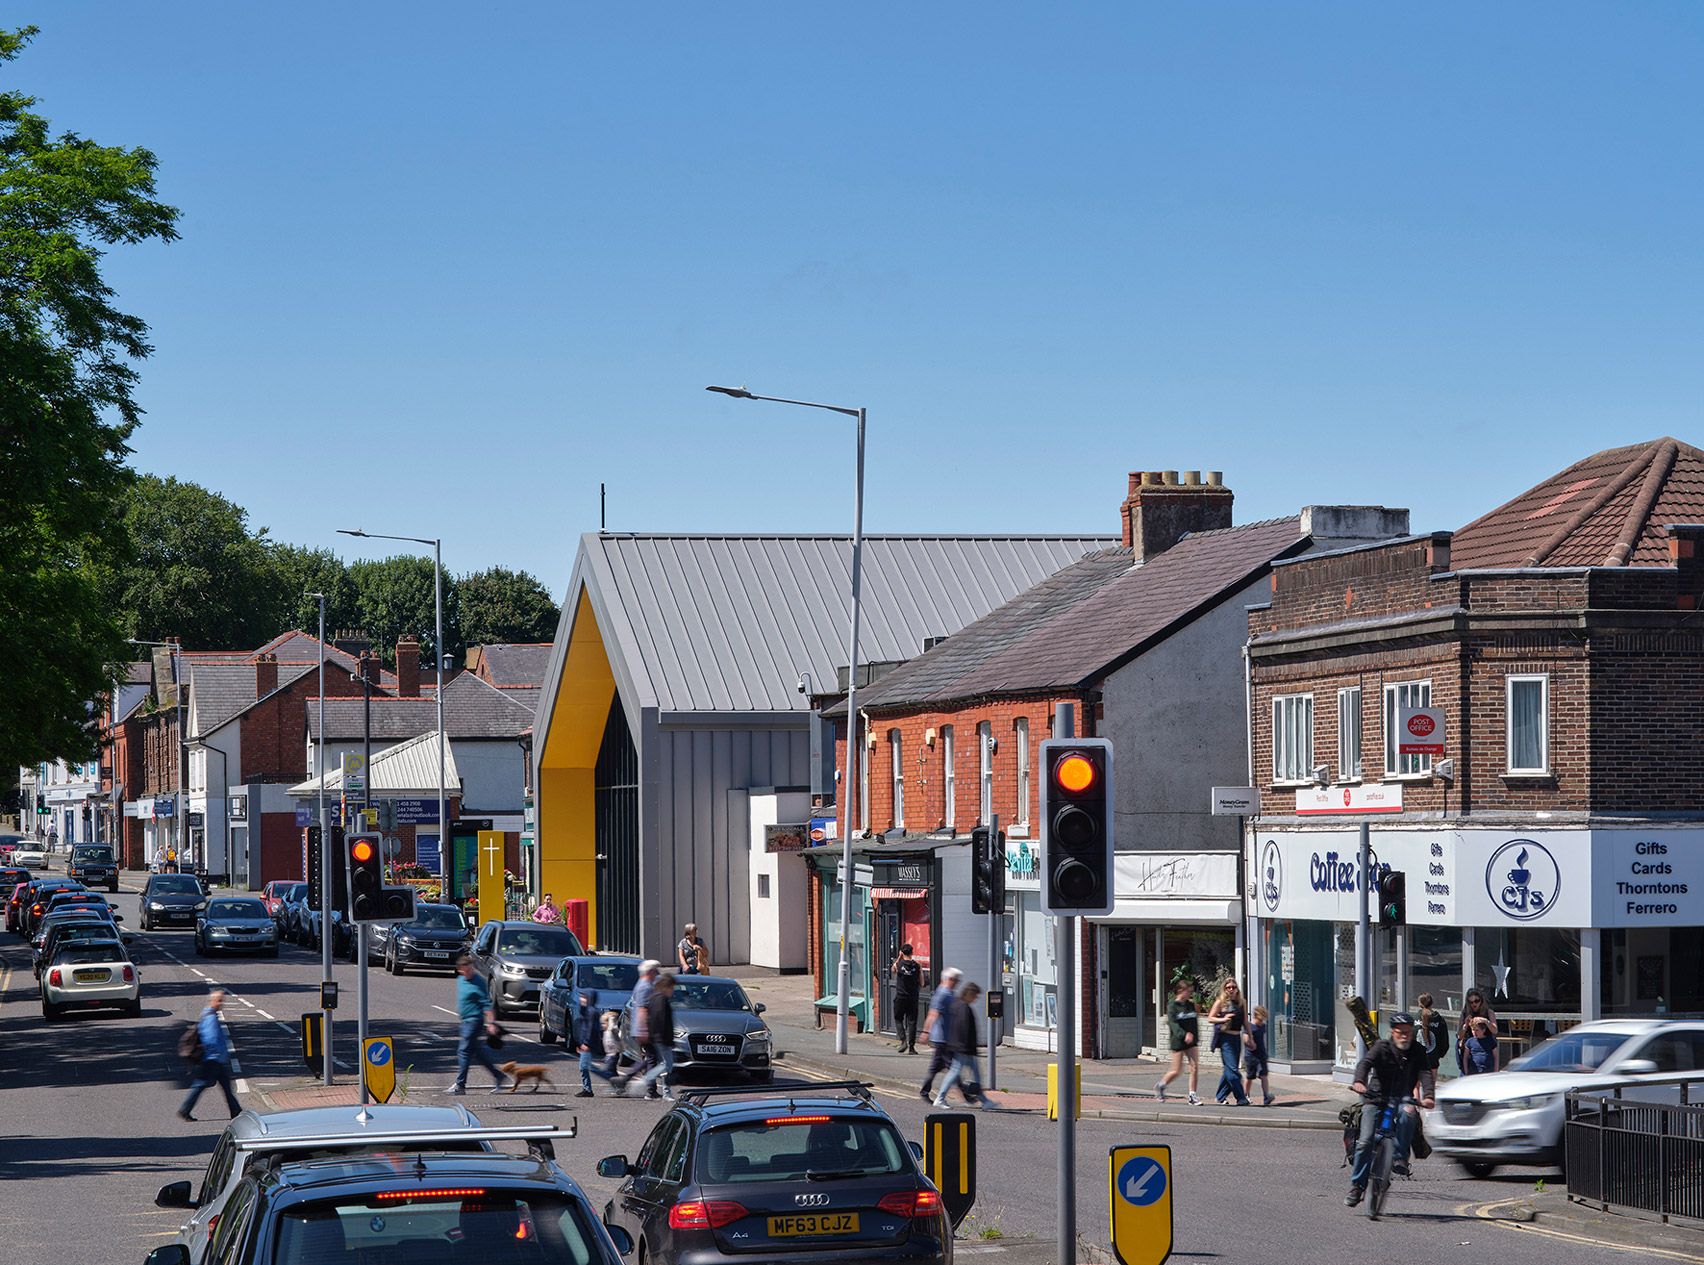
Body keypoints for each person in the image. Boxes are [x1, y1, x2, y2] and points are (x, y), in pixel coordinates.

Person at [1345, 1011, 1436, 1206]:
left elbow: (1425, 1073)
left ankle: (1399, 1158)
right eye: (1400, 1032)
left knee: (1409, 1112)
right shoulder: (1381, 1047)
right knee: (1365, 1141)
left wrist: (1428, 1096)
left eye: (1408, 1032)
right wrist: (1359, 1082)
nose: (1404, 1036)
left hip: (1402, 1097)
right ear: (1393, 1032)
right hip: (1376, 1097)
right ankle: (1357, 1187)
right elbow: (1365, 1063)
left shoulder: (1417, 1051)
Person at [445, 954, 509, 1095]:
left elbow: (486, 1004)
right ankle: (499, 1076)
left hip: (474, 1021)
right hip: (465, 1021)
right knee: (477, 1053)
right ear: (460, 970)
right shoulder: (461, 979)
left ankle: (460, 1085)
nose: (469, 972)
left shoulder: (478, 982)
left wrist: (492, 1023)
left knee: (463, 1051)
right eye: (466, 970)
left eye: (471, 969)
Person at [178, 989, 242, 1121]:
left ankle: (236, 1111)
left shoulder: (209, 1014)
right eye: (219, 1000)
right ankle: (185, 1109)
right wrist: (219, 1055)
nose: (221, 1003)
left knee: (223, 1086)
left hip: (213, 1059)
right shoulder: (210, 1018)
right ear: (212, 1001)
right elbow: (211, 1039)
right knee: (201, 1085)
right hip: (212, 1060)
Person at [936, 982, 997, 1111]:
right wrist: (967, 1048)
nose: (976, 999)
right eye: (975, 996)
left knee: (976, 1074)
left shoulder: (957, 1005)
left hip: (961, 1047)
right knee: (954, 1072)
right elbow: (964, 1029)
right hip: (964, 1048)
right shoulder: (964, 1008)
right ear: (970, 995)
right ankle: (940, 1098)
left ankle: (984, 1100)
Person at [613, 960, 661, 1095]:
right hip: (645, 1028)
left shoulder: (644, 985)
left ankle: (625, 1079)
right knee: (652, 1059)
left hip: (644, 1028)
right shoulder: (645, 987)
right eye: (655, 971)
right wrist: (644, 1029)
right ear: (649, 972)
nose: (657, 974)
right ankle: (650, 1090)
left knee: (650, 1058)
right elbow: (642, 1009)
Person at [918, 966, 964, 1102]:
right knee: (954, 1067)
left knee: (937, 1066)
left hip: (947, 1037)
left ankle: (924, 1092)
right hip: (943, 1038)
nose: (958, 983)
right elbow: (933, 1013)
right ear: (949, 979)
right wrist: (926, 1032)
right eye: (956, 980)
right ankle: (966, 1095)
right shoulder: (943, 994)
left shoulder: (948, 993)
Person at [1155, 979, 1204, 1106]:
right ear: (1180, 991)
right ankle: (1161, 1085)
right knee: (1177, 1070)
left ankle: (1193, 1095)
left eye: (1191, 992)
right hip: (1178, 1041)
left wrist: (1195, 1038)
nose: (1190, 994)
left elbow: (1194, 1023)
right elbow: (1173, 1025)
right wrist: (1184, 1034)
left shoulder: (1190, 1005)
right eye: (1188, 992)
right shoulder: (1172, 1006)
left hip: (1191, 1041)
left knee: (1194, 1067)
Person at [1207, 979, 1251, 1106]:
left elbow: (1245, 1021)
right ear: (1225, 990)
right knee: (1233, 1070)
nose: (1231, 990)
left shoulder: (1242, 1002)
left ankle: (1220, 1096)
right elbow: (1210, 1018)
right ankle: (1241, 1098)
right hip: (1225, 1039)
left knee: (1229, 1069)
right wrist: (1223, 1019)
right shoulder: (1221, 1002)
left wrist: (1250, 1036)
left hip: (1237, 1039)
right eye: (1228, 988)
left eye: (1233, 987)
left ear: (1237, 989)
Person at [640, 972, 677, 1100]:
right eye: (672, 987)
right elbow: (662, 1019)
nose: (673, 990)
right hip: (662, 1038)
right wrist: (666, 1038)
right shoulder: (662, 999)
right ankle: (666, 1092)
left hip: (656, 1036)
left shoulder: (654, 996)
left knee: (663, 1064)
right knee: (666, 1065)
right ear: (667, 986)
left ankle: (652, 1083)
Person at [572, 987, 612, 1097]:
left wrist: (586, 1043)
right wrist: (580, 1043)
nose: (581, 1000)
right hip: (585, 1043)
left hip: (589, 1044)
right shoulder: (586, 1011)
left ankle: (611, 1079)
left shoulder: (592, 1012)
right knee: (584, 1066)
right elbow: (582, 1028)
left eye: (583, 998)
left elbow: (590, 1030)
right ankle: (587, 1088)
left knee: (586, 1067)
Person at [1456, 990, 1499, 1073]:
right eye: (1471, 1002)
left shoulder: (1488, 1012)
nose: (1474, 1004)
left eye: (1476, 1001)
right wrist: (1465, 1024)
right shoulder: (1465, 1013)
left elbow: (1495, 1030)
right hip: (1470, 1049)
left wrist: (1486, 1021)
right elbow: (1459, 1036)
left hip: (1486, 1049)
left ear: (1481, 1000)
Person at [892, 943, 922, 1054]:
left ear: (901, 952)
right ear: (912, 952)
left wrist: (899, 958)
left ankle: (903, 1040)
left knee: (898, 1018)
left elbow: (893, 970)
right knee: (912, 1022)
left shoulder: (899, 965)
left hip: (901, 996)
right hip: (913, 997)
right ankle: (912, 1047)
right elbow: (922, 983)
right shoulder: (917, 966)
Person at [1244, 1004, 1274, 1107]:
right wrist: (1250, 1043)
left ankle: (1266, 1096)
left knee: (1263, 1075)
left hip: (1261, 1054)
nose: (1261, 1023)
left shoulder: (1263, 1026)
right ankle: (1246, 1095)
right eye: (1260, 1020)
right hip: (1251, 1055)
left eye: (1263, 1020)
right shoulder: (1249, 1026)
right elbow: (1245, 1039)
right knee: (1250, 1076)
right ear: (1254, 1017)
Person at [1415, 993, 1449, 1075]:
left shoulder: (1414, 1019)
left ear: (1419, 1004)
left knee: (1416, 1086)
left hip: (1417, 1058)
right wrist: (1438, 1054)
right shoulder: (1439, 1020)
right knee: (1430, 1086)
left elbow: (1411, 1038)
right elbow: (1444, 1041)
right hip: (1433, 1058)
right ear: (1432, 1002)